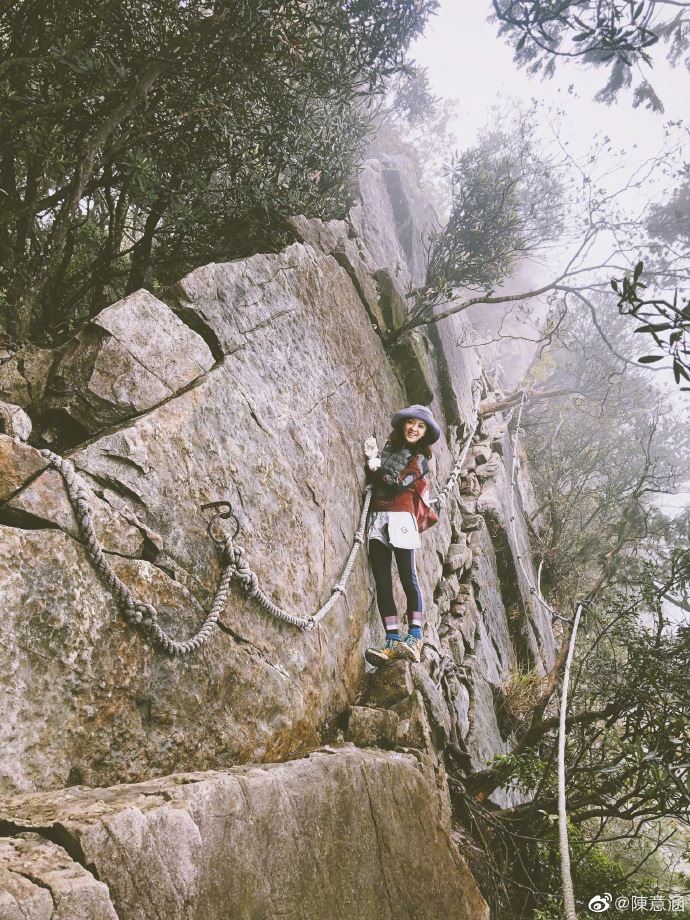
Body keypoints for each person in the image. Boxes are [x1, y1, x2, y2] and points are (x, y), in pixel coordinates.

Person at [363, 404, 440, 666]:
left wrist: (374, 467)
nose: (414, 429)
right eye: (411, 423)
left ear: (425, 433)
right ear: (403, 424)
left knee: (408, 576)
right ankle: (392, 641)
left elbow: (397, 484)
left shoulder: (420, 461)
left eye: (420, 426)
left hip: (401, 517)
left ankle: (415, 637)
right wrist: (376, 462)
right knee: (383, 581)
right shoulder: (389, 451)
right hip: (378, 518)